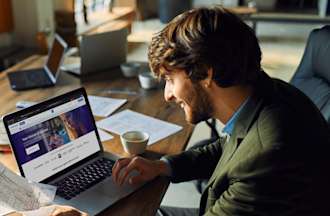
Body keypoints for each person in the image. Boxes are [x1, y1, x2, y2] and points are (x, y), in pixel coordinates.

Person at [112, 6, 330, 216]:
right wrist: (161, 166)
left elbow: (250, 156)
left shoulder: (268, 158)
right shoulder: (268, 93)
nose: (167, 95)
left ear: (205, 73)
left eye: (170, 79)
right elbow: (228, 146)